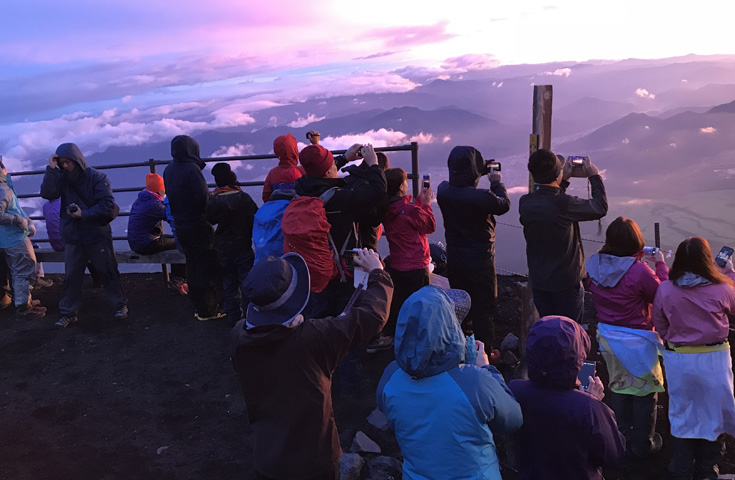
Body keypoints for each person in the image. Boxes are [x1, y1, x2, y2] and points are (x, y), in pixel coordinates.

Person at [229, 249, 392, 480]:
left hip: (268, 456)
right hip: (313, 462)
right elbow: (371, 316)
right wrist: (377, 272)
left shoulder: (239, 335)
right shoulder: (313, 339)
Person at [376, 286, 523, 480]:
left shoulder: (390, 376)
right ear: (450, 329)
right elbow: (513, 420)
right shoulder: (475, 381)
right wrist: (486, 370)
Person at [652, 236, 735, 480]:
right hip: (715, 359)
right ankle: (708, 469)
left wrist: (673, 338)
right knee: (714, 414)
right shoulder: (722, 287)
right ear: (707, 260)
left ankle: (681, 469)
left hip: (680, 359)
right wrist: (730, 273)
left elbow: (659, 323)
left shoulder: (665, 289)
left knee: (682, 414)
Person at [585, 217, 667, 458]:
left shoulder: (593, 264)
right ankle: (643, 444)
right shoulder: (639, 270)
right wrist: (660, 266)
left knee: (619, 385)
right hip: (639, 340)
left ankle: (620, 436)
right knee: (645, 391)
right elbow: (661, 297)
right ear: (637, 242)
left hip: (609, 337)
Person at [509, 315, 626, 479]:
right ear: (577, 358)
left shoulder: (514, 389)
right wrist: (594, 401)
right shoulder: (588, 408)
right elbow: (612, 455)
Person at [292, 143, 386, 317]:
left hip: (313, 265)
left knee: (319, 313)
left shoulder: (301, 188)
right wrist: (374, 163)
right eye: (333, 165)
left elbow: (319, 174)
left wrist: (343, 158)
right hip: (340, 270)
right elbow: (377, 191)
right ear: (329, 172)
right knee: (343, 318)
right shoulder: (338, 198)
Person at [40, 143, 128, 326]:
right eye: (62, 162)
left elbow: (107, 205)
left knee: (107, 270)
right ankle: (68, 312)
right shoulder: (61, 178)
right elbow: (48, 193)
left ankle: (119, 305)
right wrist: (51, 169)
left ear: (77, 160)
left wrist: (84, 214)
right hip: (73, 236)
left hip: (96, 233)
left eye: (67, 162)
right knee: (72, 275)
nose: (65, 166)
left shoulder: (96, 177)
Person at [519, 150, 608, 323]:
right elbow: (600, 208)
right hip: (566, 284)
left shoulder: (525, 202)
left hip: (539, 281)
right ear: (556, 175)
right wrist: (594, 176)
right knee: (568, 331)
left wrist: (563, 180)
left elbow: (549, 201)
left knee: (550, 328)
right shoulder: (564, 205)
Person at [437, 146, 510, 345]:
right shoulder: (482, 197)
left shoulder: (443, 191)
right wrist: (496, 183)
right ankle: (484, 351)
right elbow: (504, 204)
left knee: (461, 302)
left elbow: (460, 184)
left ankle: (459, 345)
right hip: (480, 261)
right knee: (484, 307)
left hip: (455, 258)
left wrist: (480, 169)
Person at [163, 135, 223, 321]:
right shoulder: (191, 169)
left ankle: (199, 308)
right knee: (206, 266)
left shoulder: (168, 169)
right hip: (197, 226)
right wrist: (213, 199)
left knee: (193, 266)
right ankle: (210, 310)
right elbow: (202, 200)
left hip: (181, 226)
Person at [380, 167, 435, 343]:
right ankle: (417, 341)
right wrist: (426, 204)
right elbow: (429, 226)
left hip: (397, 265)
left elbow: (407, 214)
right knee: (419, 305)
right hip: (417, 266)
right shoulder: (410, 210)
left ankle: (397, 338)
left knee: (401, 303)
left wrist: (419, 202)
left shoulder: (387, 209)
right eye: (404, 182)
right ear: (400, 186)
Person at [206, 163, 258, 323]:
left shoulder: (214, 200)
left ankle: (232, 316)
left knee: (228, 281)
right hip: (243, 245)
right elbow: (254, 217)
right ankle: (251, 316)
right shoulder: (244, 198)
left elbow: (210, 219)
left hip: (223, 247)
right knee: (246, 280)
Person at [0, 158, 46, 317]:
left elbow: (15, 208)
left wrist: (28, 223)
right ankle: (23, 306)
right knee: (23, 269)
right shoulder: (3, 190)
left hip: (7, 238)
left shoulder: (6, 188)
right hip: (13, 238)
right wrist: (21, 222)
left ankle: (23, 300)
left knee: (17, 269)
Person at [127, 173, 176, 254]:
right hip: (147, 244)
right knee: (179, 243)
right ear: (160, 191)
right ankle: (179, 267)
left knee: (171, 239)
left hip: (136, 243)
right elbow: (172, 216)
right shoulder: (155, 205)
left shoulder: (142, 199)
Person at [262, 133, 305, 203]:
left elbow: (266, 197)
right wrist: (316, 144)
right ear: (295, 150)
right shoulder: (303, 171)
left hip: (278, 212)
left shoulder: (273, 173)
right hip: (299, 211)